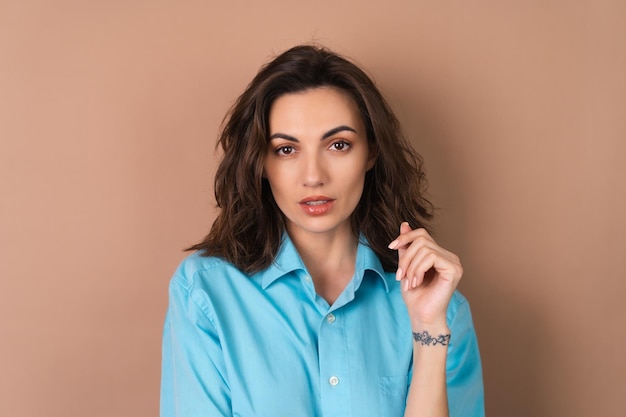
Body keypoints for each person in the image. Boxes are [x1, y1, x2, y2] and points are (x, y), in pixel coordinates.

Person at [161, 44, 484, 417]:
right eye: (286, 150)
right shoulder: (204, 293)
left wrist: (428, 336)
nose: (313, 176)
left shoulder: (441, 309)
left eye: (338, 145)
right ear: (259, 162)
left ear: (371, 153)